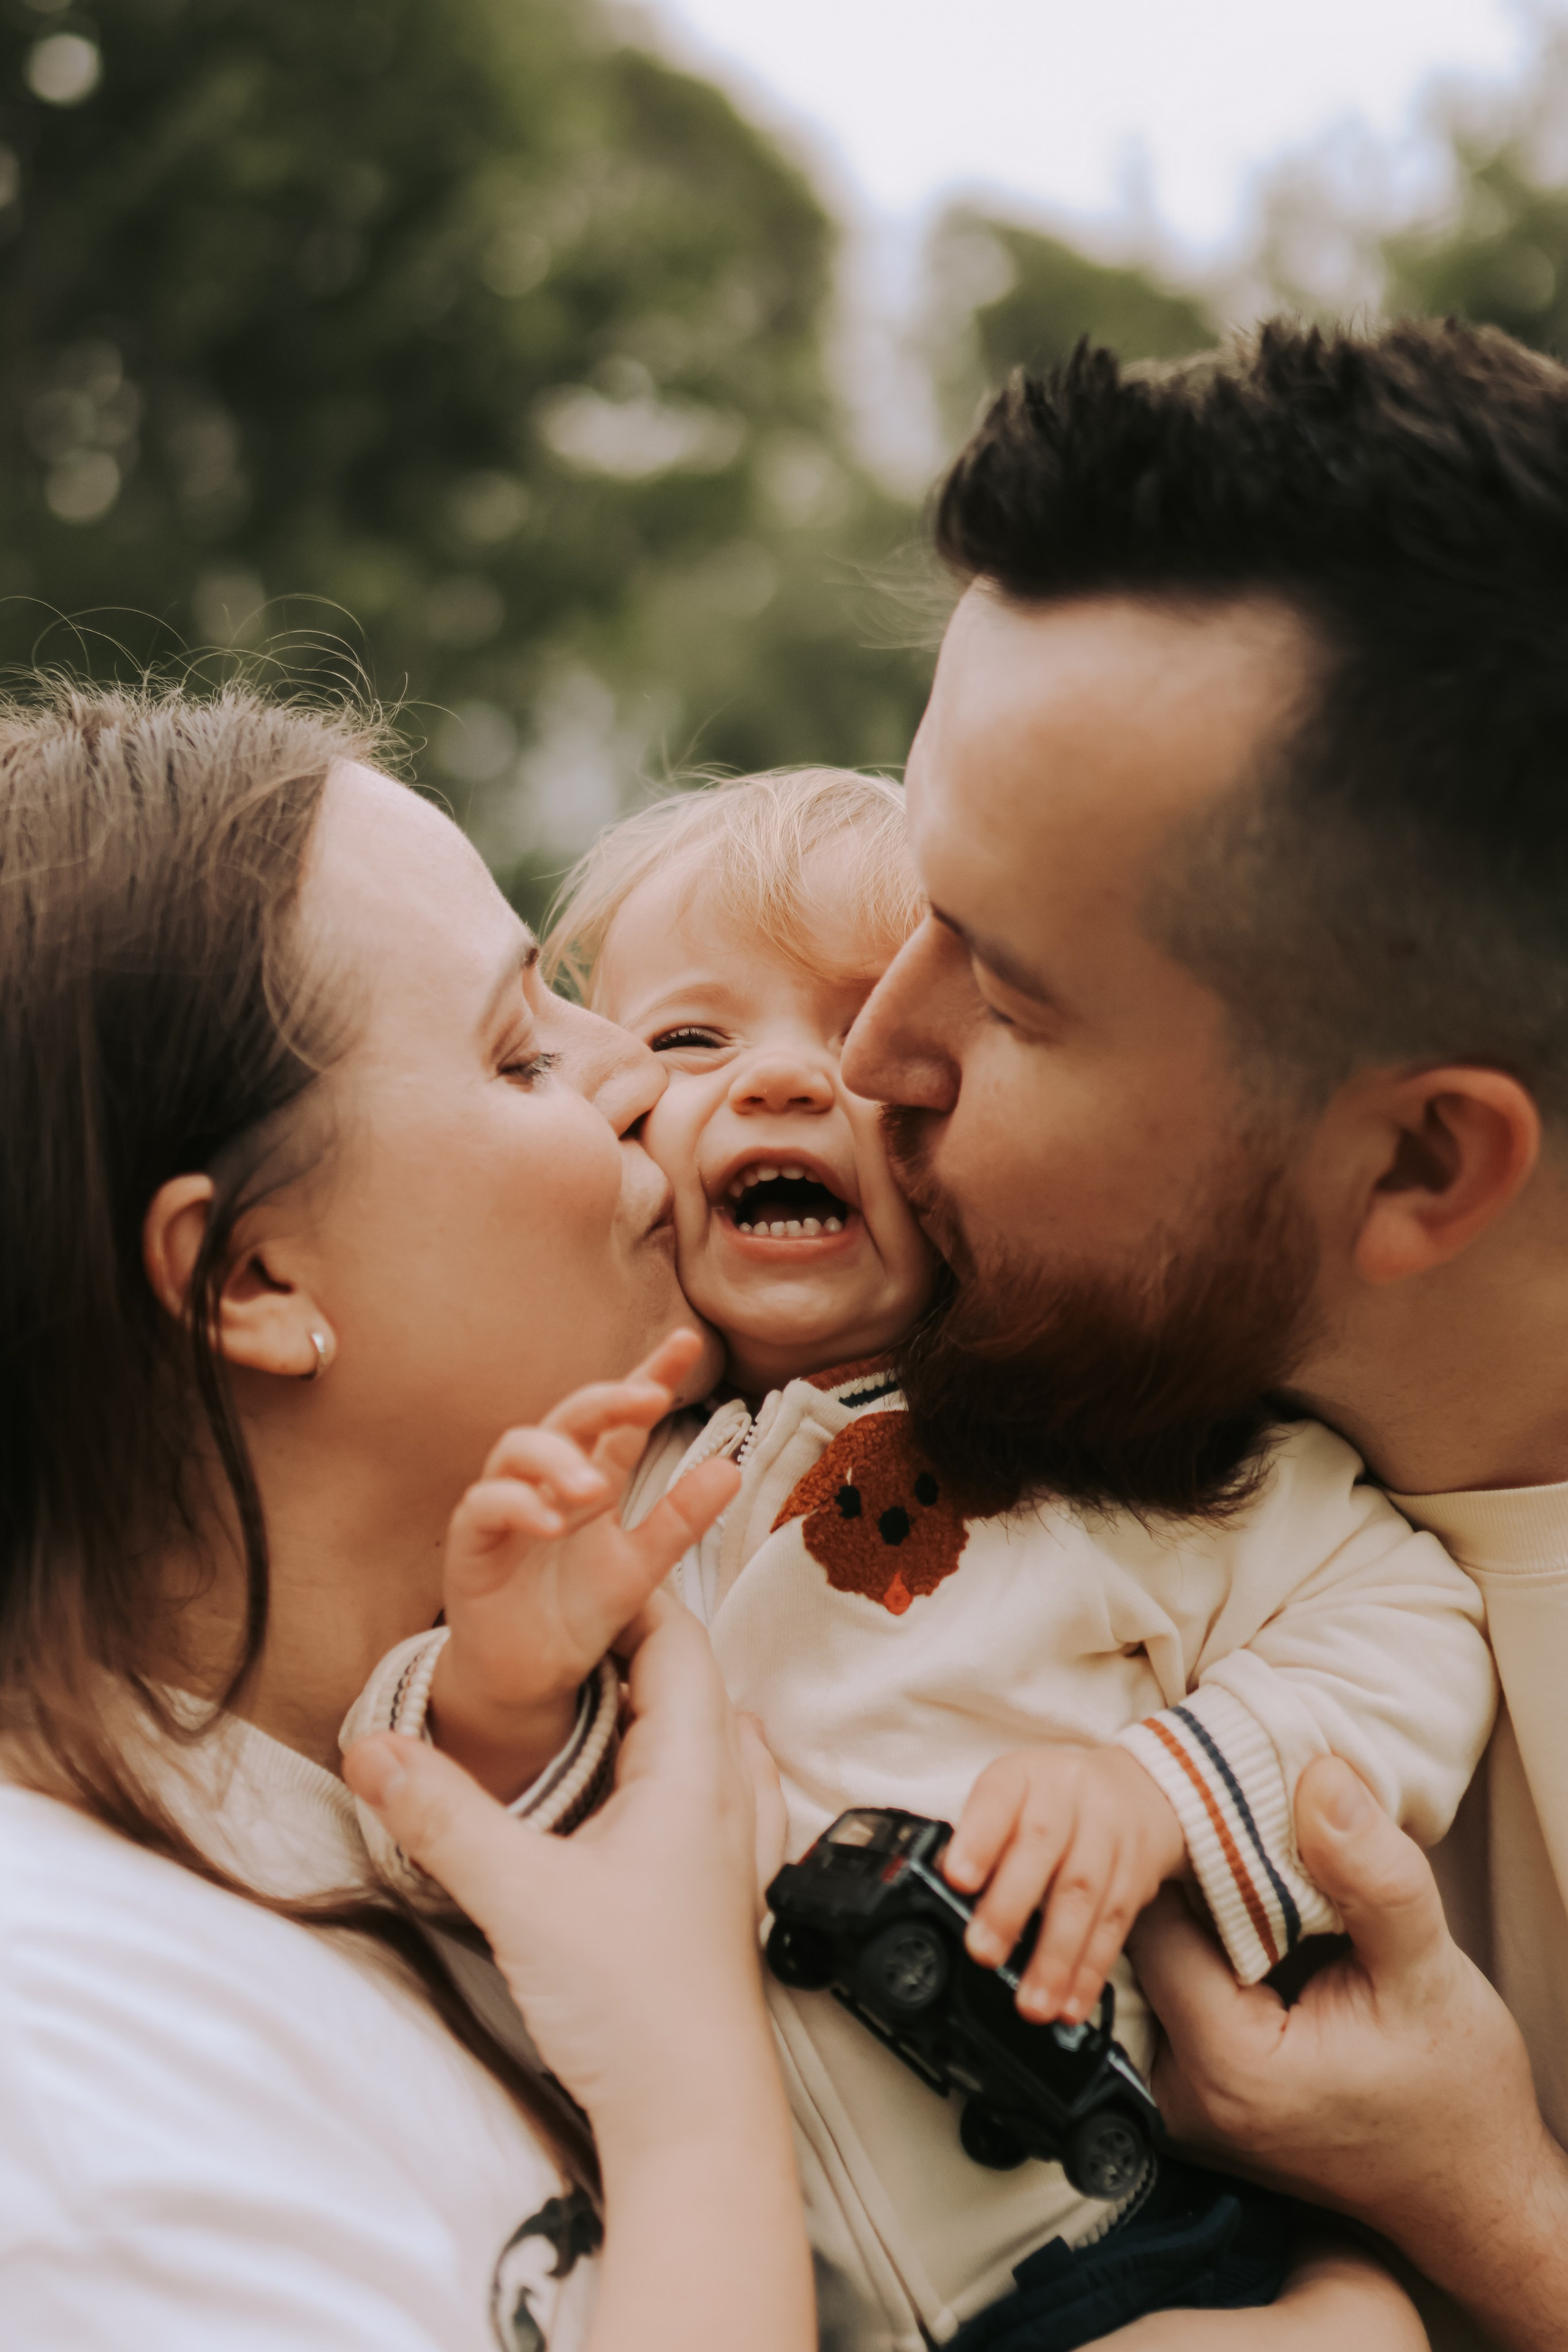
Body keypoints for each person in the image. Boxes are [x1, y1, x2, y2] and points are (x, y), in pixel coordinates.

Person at [360, 763, 1490, 2352]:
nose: (778, 1084)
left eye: (860, 1033)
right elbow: (438, 1831)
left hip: (1127, 2238)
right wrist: (500, 1692)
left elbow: (1404, 1618)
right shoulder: (580, 1470)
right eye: (689, 1041)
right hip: (758, 2284)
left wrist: (1164, 1789)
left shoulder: (1102, 1443)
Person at [839, 318, 1568, 2350]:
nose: (873, 1049)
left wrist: (1501, 2213)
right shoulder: (940, 1396)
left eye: (1010, 991)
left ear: (1424, 1162)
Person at [0, 682, 815, 2352]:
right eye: (520, 1048)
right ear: (254, 1279)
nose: (636, 1078)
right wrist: (690, 2092)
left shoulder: (487, 1791)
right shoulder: (59, 2078)